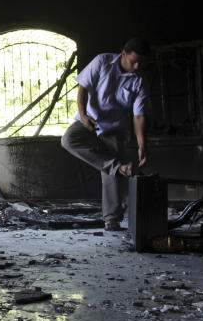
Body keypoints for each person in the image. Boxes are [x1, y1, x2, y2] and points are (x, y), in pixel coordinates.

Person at [61, 38, 151, 231]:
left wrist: (142, 144)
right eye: (133, 61)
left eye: (141, 63)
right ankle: (117, 167)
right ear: (124, 54)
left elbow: (139, 116)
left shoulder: (140, 81)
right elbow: (83, 87)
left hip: (115, 128)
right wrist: (84, 116)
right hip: (90, 120)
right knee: (68, 140)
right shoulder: (102, 61)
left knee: (112, 171)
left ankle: (112, 219)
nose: (136, 67)